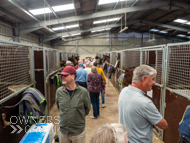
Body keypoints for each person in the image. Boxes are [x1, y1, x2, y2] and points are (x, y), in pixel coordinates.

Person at [118, 65, 168, 143]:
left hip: (126, 140)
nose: (154, 83)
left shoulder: (124, 91)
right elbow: (164, 125)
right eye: (152, 79)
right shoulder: (145, 103)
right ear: (144, 79)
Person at [56, 66, 91, 143]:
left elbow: (87, 109)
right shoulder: (59, 92)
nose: (62, 77)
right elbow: (59, 107)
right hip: (63, 131)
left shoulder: (83, 92)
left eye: (65, 75)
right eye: (62, 75)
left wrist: (76, 116)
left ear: (73, 76)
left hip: (78, 132)